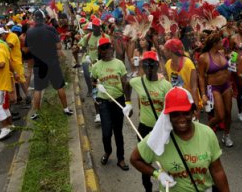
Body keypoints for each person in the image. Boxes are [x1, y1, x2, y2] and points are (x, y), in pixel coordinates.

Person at [130, 87, 230, 192]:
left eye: (186, 113)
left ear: (193, 111)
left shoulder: (207, 134)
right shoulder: (158, 137)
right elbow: (135, 159)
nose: (181, 119)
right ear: (168, 115)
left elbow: (217, 171)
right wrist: (158, 174)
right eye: (175, 114)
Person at [129, 51, 172, 192]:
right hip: (144, 129)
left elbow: (171, 109)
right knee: (144, 162)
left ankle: (165, 187)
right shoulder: (138, 81)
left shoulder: (166, 86)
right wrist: (128, 102)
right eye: (145, 64)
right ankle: (148, 189)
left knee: (167, 163)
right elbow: (126, 84)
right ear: (142, 65)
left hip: (162, 130)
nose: (149, 67)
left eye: (152, 63)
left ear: (157, 65)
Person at [91, 37, 131, 171]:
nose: (106, 50)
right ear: (99, 51)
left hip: (118, 100)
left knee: (118, 131)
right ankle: (107, 151)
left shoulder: (119, 64)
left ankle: (121, 158)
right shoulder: (96, 66)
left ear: (111, 48)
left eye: (108, 46)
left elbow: (125, 83)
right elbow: (93, 81)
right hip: (104, 103)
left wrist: (128, 102)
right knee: (106, 132)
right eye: (103, 48)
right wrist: (97, 86)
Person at [24, 10, 73, 120]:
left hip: (38, 64)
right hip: (53, 63)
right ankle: (65, 109)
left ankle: (36, 113)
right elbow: (59, 46)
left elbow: (26, 49)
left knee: (38, 89)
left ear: (34, 19)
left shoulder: (30, 32)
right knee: (59, 86)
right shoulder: (50, 29)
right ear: (44, 18)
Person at [198, 32, 233, 147]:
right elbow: (201, 77)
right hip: (214, 88)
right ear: (214, 44)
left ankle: (226, 135)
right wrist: (203, 94)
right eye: (220, 42)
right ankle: (204, 132)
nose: (222, 43)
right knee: (220, 116)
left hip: (226, 86)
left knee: (228, 113)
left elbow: (228, 68)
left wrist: (231, 60)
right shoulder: (203, 58)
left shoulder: (222, 53)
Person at [164, 38, 200, 109]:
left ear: (170, 51)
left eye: (165, 49)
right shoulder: (167, 64)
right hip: (175, 102)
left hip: (188, 101)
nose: (163, 51)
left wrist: (196, 106)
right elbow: (168, 85)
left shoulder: (188, 64)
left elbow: (194, 87)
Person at [229, 19, 242, 122]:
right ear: (238, 28)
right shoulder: (233, 38)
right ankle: (240, 112)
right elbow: (230, 51)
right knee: (241, 90)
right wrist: (232, 65)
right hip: (238, 67)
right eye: (241, 26)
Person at [0, 38, 14, 140]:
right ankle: (10, 125)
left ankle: (5, 128)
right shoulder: (1, 51)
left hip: (0, 84)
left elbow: (1, 64)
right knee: (4, 107)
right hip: (1, 83)